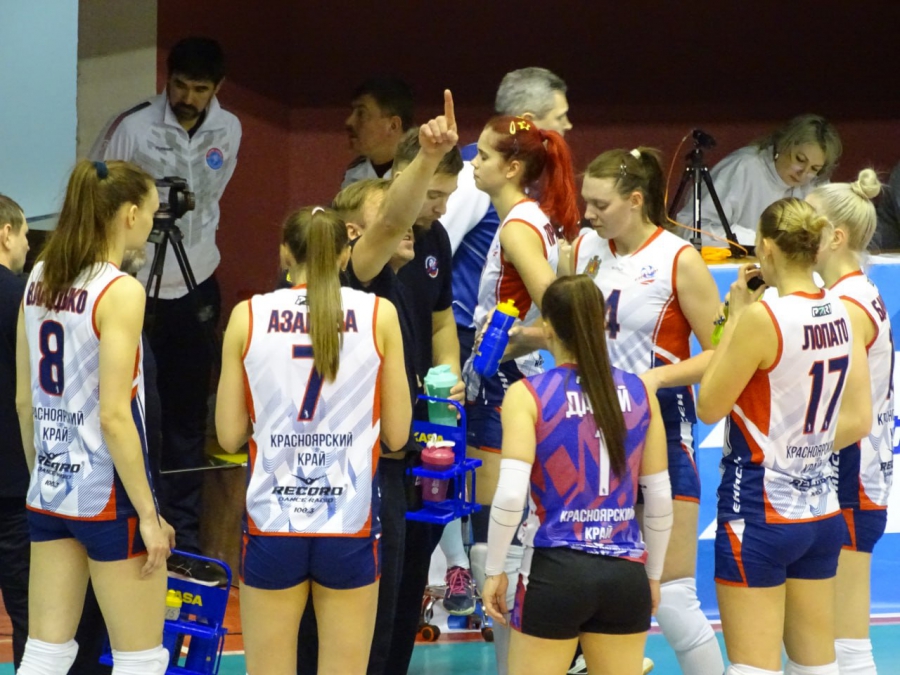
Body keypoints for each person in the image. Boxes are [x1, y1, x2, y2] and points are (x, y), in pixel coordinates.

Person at [294, 92, 460, 675]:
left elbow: (441, 320)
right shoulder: (358, 277)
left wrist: (445, 385)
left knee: (397, 606)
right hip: (362, 465)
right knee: (355, 620)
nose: (416, 217)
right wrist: (429, 155)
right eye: (427, 195)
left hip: (406, 453)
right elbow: (391, 220)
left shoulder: (425, 250)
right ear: (351, 235)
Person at [215, 206, 410, 675]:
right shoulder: (379, 314)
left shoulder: (247, 315)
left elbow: (229, 434)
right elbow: (398, 435)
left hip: (272, 520)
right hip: (349, 521)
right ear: (345, 255)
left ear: (286, 252)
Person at [697, 198, 873, 675]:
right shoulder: (844, 311)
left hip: (760, 509)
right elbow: (858, 419)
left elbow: (708, 405)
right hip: (820, 510)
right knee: (816, 666)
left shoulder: (764, 319)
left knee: (753, 667)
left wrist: (735, 315)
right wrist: (804, 449)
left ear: (767, 247)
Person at [14, 159, 176, 675]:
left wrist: (44, 475)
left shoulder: (39, 276)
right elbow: (114, 415)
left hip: (49, 490)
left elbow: (23, 400)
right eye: (151, 211)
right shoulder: (120, 290)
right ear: (129, 214)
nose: (151, 222)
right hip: (108, 495)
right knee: (140, 660)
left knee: (45, 652)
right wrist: (148, 515)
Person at [90, 36, 241, 577]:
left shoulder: (231, 129)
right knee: (139, 412)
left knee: (187, 417)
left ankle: (187, 541)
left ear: (217, 88)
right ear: (166, 79)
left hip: (196, 280)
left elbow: (213, 200)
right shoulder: (132, 128)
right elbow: (97, 195)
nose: (188, 97)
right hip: (137, 287)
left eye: (200, 89)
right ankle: (139, 524)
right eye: (180, 85)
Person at [570, 148, 725, 674]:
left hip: (659, 422)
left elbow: (723, 351)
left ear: (636, 200)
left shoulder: (679, 258)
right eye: (586, 202)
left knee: (674, 596)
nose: (588, 214)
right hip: (587, 430)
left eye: (600, 204)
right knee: (595, 591)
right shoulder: (583, 249)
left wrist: (655, 378)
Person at [481, 275, 672, 675]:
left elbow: (512, 495)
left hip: (555, 571)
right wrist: (653, 576)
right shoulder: (640, 392)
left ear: (547, 327)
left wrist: (494, 569)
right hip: (625, 573)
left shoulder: (528, 394)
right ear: (603, 321)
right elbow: (658, 499)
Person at [462, 113, 580, 674]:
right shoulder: (528, 218)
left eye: (484, 156)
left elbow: (560, 310)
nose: (474, 163)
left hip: (509, 382)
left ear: (512, 168)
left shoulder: (518, 226)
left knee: (497, 534)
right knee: (503, 530)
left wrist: (509, 341)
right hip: (504, 379)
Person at [807, 170, 891, 674]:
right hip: (854, 473)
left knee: (845, 637)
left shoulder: (848, 305)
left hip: (851, 477)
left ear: (835, 237)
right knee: (831, 634)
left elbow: (854, 416)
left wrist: (793, 454)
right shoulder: (853, 292)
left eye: (808, 221)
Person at [675, 114, 842, 247]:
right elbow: (689, 228)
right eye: (799, 159)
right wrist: (756, 240)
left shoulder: (816, 182)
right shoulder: (742, 168)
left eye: (814, 168)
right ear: (783, 144)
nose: (803, 174)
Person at [0, 194, 30, 670]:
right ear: (6, 233)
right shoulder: (24, 297)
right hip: (15, 481)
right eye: (25, 234)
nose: (28, 244)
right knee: (32, 613)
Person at [342, 76, 415, 188]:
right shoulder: (353, 176)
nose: (349, 121)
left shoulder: (429, 172)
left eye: (361, 113)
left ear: (393, 125)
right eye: (353, 112)